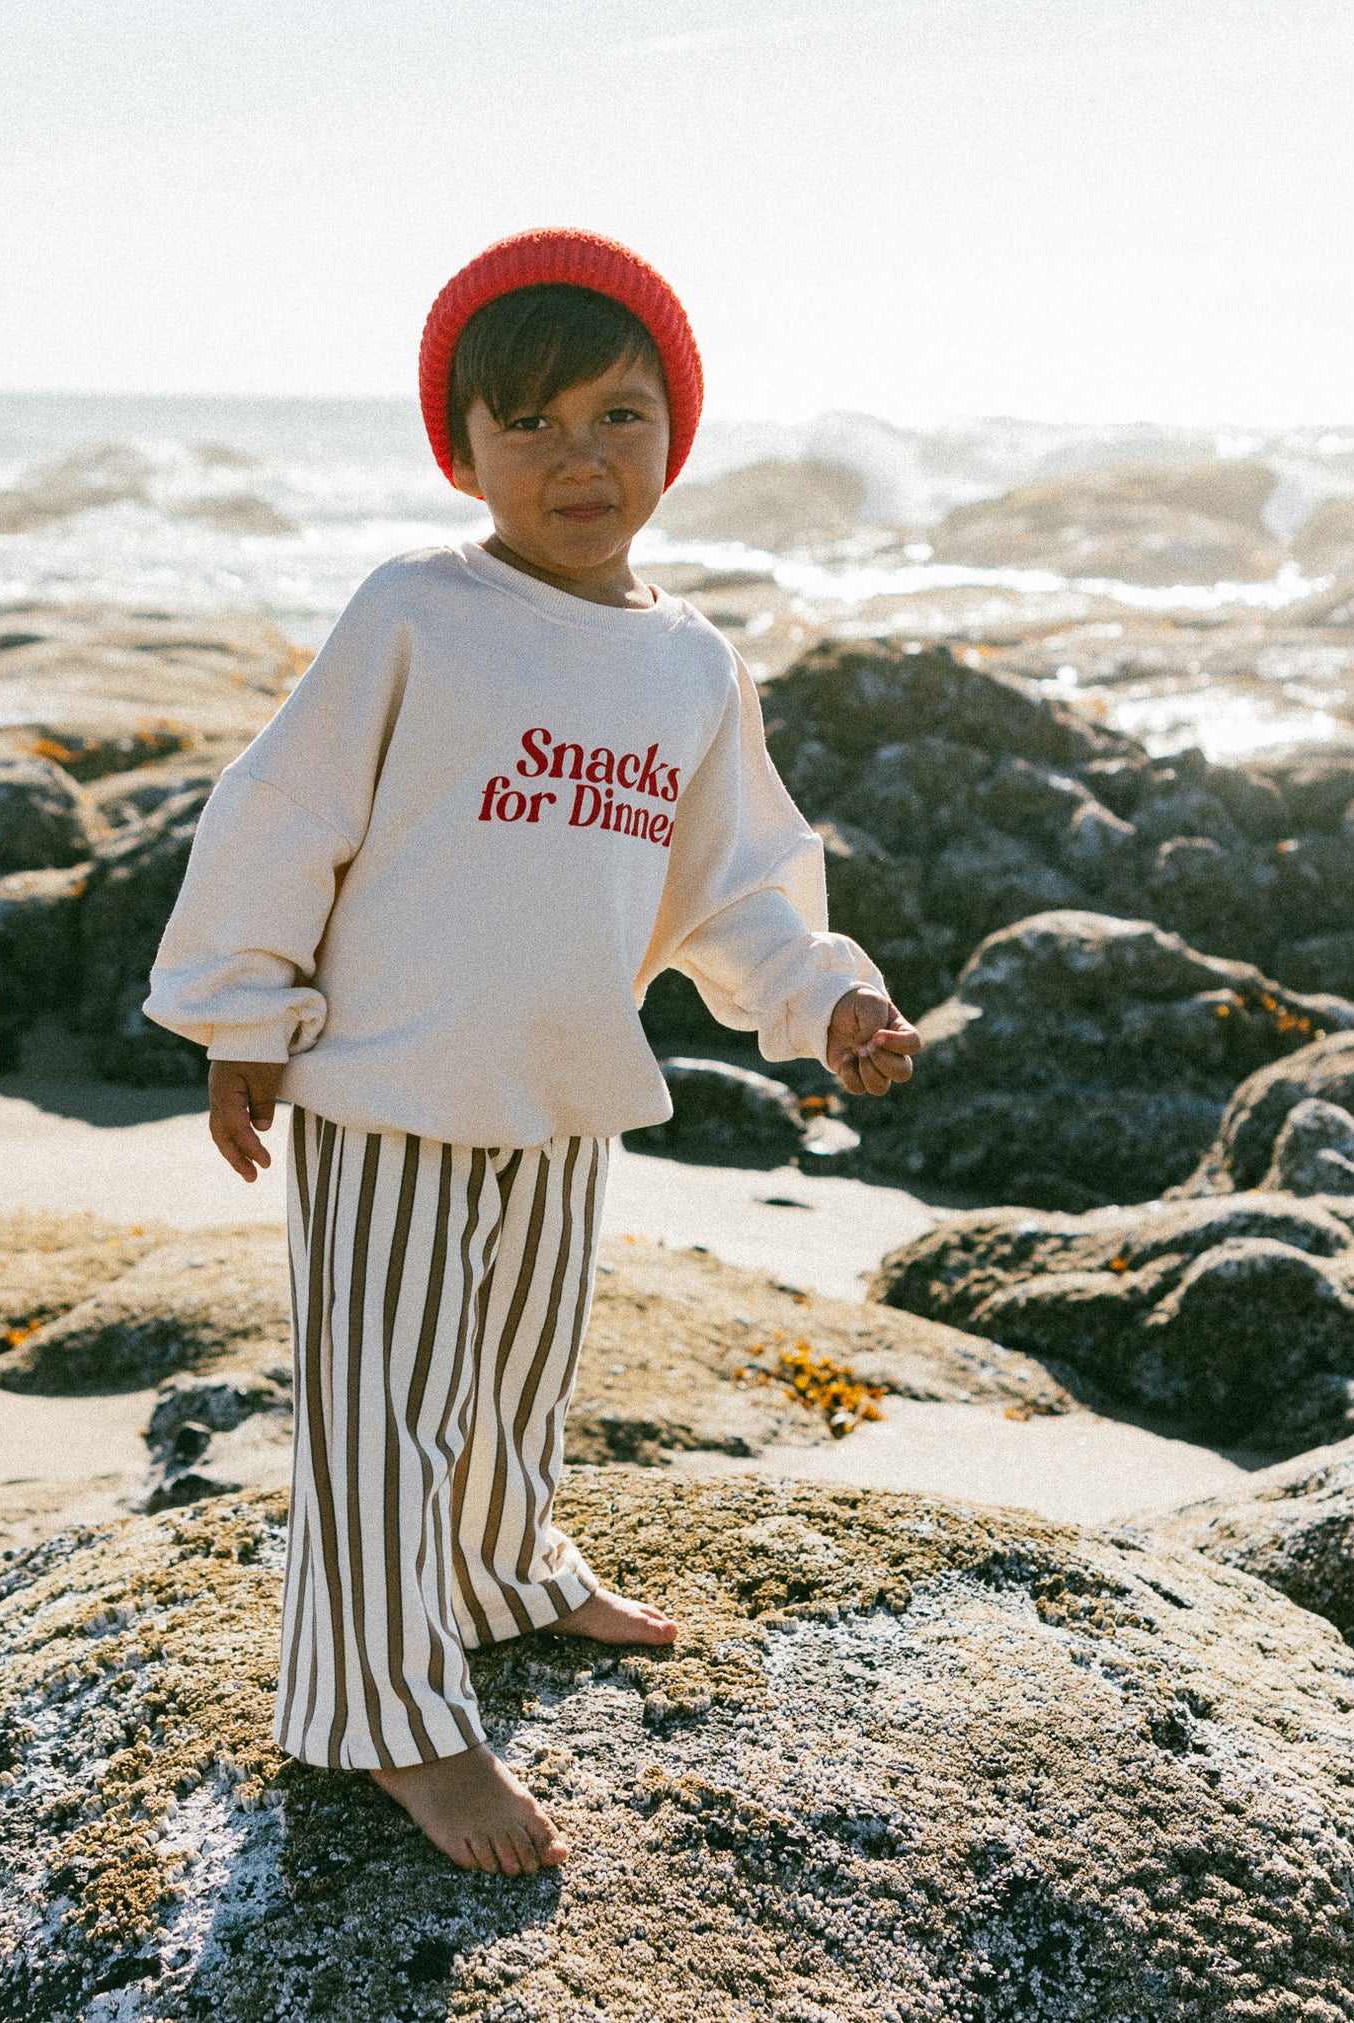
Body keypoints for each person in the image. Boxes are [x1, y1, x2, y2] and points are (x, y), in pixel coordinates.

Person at [144, 228, 920, 1878]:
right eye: (531, 425)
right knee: (386, 1406)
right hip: (389, 1084)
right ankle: (386, 1716)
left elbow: (734, 888)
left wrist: (823, 1003)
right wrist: (238, 1009)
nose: (579, 459)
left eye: (619, 417)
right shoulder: (418, 613)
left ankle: (499, 1573)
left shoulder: (688, 663)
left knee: (508, 1376)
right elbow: (287, 809)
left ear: (673, 438)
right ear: (463, 450)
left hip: (563, 1088)